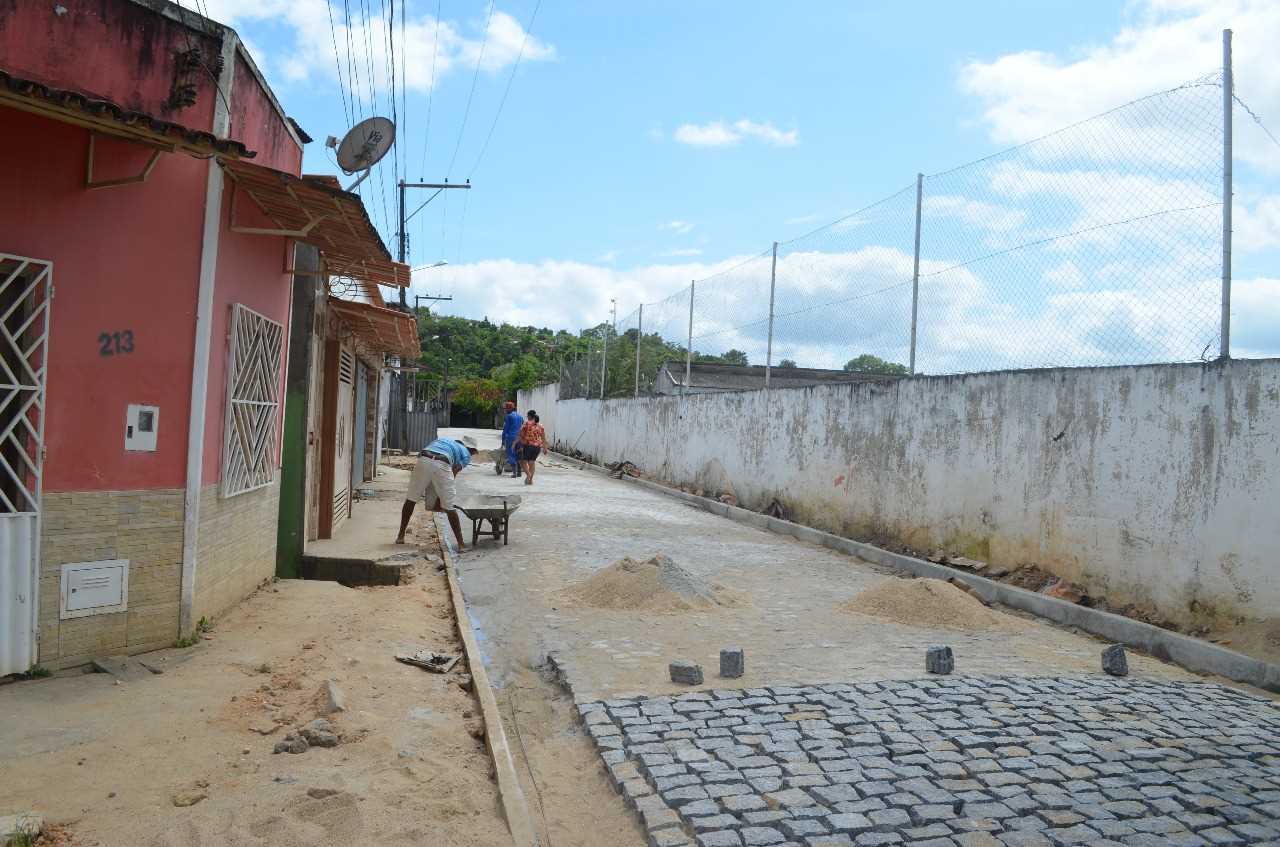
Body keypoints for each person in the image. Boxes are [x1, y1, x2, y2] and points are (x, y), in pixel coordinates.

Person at [396, 434, 479, 550]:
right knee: (450, 507)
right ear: (472, 450)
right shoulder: (466, 454)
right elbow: (454, 471)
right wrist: (444, 498)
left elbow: (426, 459)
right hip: (443, 462)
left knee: (411, 499)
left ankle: (400, 536)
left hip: (423, 458)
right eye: (473, 453)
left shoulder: (443, 440)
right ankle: (461, 544)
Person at [514, 411, 546, 486]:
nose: (527, 417)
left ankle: (528, 475)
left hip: (528, 446)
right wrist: (545, 448)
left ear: (530, 416)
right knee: (531, 462)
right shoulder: (541, 426)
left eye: (527, 416)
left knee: (522, 461)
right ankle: (530, 480)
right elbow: (543, 438)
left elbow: (520, 434)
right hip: (537, 447)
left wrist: (515, 443)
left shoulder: (526, 424)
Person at [499, 401, 524, 478]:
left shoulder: (509, 416)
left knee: (511, 454)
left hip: (511, 438)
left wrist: (503, 440)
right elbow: (522, 426)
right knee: (518, 454)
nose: (505, 410)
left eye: (506, 409)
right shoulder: (520, 416)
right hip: (519, 438)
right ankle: (519, 472)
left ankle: (514, 473)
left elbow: (505, 429)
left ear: (509, 409)